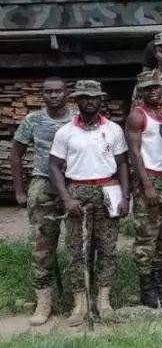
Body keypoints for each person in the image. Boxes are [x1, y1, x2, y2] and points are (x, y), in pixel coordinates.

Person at [49, 80, 130, 326]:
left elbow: (123, 164)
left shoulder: (114, 129)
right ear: (77, 100)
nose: (91, 101)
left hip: (107, 189)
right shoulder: (65, 132)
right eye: (85, 97)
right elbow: (53, 167)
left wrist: (125, 196)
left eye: (95, 97)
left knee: (107, 248)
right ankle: (80, 303)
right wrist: (66, 198)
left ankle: (103, 300)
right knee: (77, 250)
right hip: (78, 191)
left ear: (100, 100)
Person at [10, 77, 73, 326]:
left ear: (66, 93)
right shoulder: (33, 120)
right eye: (48, 92)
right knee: (42, 245)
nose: (54, 95)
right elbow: (16, 155)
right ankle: (43, 300)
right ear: (42, 95)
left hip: (73, 184)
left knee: (76, 243)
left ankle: (79, 297)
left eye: (58, 91)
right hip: (43, 185)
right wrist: (19, 192)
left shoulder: (76, 119)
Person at [127, 71, 162, 309]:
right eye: (149, 89)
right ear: (142, 92)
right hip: (149, 179)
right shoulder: (137, 116)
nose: (154, 92)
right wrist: (146, 184)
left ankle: (158, 280)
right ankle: (146, 288)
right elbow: (134, 152)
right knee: (146, 237)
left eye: (157, 88)